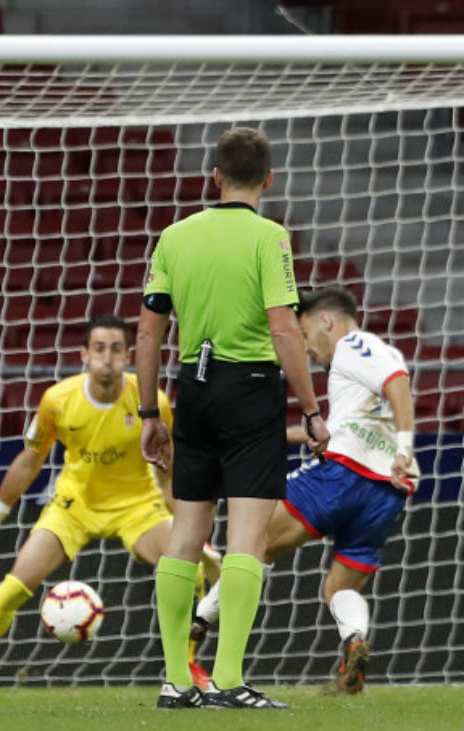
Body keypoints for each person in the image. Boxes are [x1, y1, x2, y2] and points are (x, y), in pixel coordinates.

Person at [0, 314, 219, 691]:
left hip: (137, 507)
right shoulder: (57, 400)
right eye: (99, 349)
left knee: (186, 567)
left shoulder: (152, 402)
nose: (106, 358)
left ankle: (188, 665)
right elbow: (29, 460)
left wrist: (191, 532)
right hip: (73, 506)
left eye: (115, 349)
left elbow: (168, 471)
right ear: (84, 354)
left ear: (128, 356)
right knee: (14, 584)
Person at [136, 126, 331, 710]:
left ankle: (175, 681)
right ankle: (226, 680)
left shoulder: (174, 235)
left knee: (185, 536)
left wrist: (150, 411)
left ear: (213, 177)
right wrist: (312, 409)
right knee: (247, 538)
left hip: (191, 390)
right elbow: (282, 329)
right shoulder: (270, 238)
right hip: (250, 390)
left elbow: (149, 330)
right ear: (268, 179)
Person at [188, 287, 418, 695]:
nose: (307, 348)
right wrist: (275, 436)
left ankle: (196, 630)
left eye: (307, 334)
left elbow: (397, 383)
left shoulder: (355, 345)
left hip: (342, 478)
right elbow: (342, 429)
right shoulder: (374, 359)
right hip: (385, 494)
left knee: (252, 540)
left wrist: (405, 448)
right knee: (338, 589)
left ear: (327, 322)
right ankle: (354, 642)